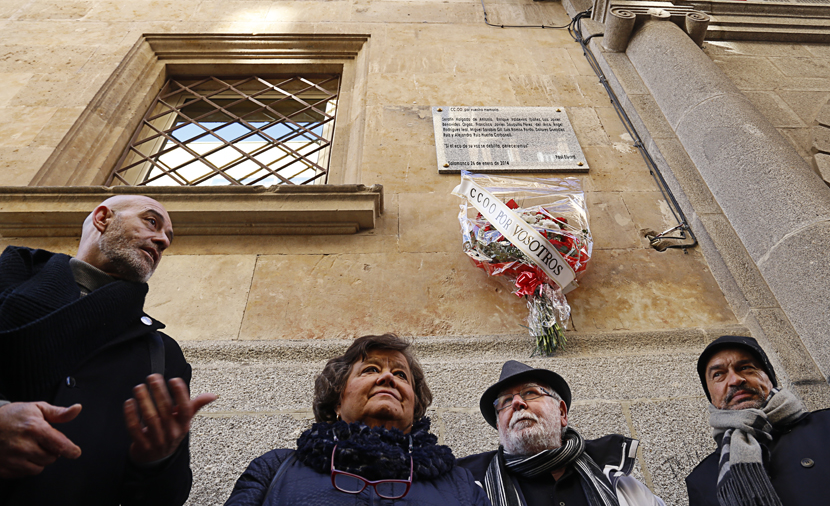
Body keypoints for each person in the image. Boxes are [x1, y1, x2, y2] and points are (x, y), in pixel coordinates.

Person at [0, 195, 216, 506]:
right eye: (151, 222)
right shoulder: (9, 281)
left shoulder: (161, 354)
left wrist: (158, 459)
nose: (163, 241)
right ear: (103, 219)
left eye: (168, 237)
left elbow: (165, 498)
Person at [225, 333, 490, 505]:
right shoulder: (275, 468)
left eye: (401, 375)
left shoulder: (461, 485)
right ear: (337, 398)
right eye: (371, 369)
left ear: (415, 406)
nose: (387, 377)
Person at [686, 334, 830, 506]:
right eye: (718, 375)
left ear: (769, 378)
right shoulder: (703, 480)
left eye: (746, 367)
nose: (735, 379)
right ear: (711, 397)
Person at [459, 360, 665, 506]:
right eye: (505, 401)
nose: (517, 403)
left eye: (530, 392)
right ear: (499, 426)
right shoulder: (467, 489)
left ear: (561, 412)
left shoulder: (619, 482)